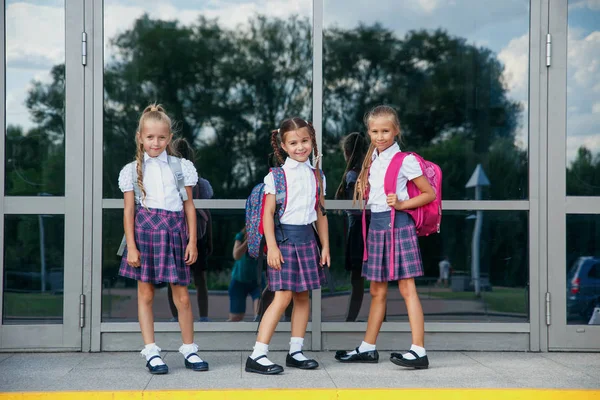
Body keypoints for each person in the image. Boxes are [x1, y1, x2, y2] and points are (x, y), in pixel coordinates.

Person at [334, 105, 436, 370]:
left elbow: (429, 194)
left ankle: (419, 351)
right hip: (377, 227)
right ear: (369, 132)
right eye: (375, 131)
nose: (380, 136)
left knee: (406, 289)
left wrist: (402, 204)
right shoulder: (373, 160)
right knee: (377, 290)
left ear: (396, 130)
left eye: (385, 131)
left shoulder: (405, 160)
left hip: (399, 226)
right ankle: (368, 348)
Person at [117, 104, 208, 374]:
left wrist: (191, 241)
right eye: (150, 137)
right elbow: (129, 211)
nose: (155, 142)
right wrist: (131, 246)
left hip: (175, 232)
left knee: (182, 296)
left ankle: (189, 350)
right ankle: (152, 352)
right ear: (140, 138)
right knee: (145, 295)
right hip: (145, 233)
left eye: (161, 137)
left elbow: (189, 206)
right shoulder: (131, 170)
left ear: (169, 138)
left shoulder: (182, 167)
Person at [245, 117, 330, 375]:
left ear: (312, 141)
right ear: (283, 145)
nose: (300, 147)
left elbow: (321, 212)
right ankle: (257, 355)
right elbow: (267, 214)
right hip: (283, 241)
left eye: (304, 141)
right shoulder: (276, 177)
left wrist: (325, 246)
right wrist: (271, 247)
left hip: (307, 239)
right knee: (282, 297)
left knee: (303, 296)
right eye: (293, 142)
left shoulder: (317, 176)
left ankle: (296, 351)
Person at [167, 138, 213, 322]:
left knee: (174, 279)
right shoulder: (201, 184)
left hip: (176, 233)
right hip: (198, 234)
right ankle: (203, 316)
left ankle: (176, 317)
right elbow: (208, 214)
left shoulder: (173, 182)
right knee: (200, 279)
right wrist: (210, 239)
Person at [334, 132, 371, 322]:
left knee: (357, 280)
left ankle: (350, 321)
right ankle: (380, 320)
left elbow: (356, 207)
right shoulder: (369, 173)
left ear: (347, 152)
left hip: (359, 229)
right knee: (375, 281)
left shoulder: (352, 175)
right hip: (369, 227)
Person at [228, 228, 261, 321]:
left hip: (256, 280)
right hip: (239, 279)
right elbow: (236, 255)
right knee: (235, 318)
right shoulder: (241, 235)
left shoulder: (265, 234)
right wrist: (248, 241)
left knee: (259, 315)